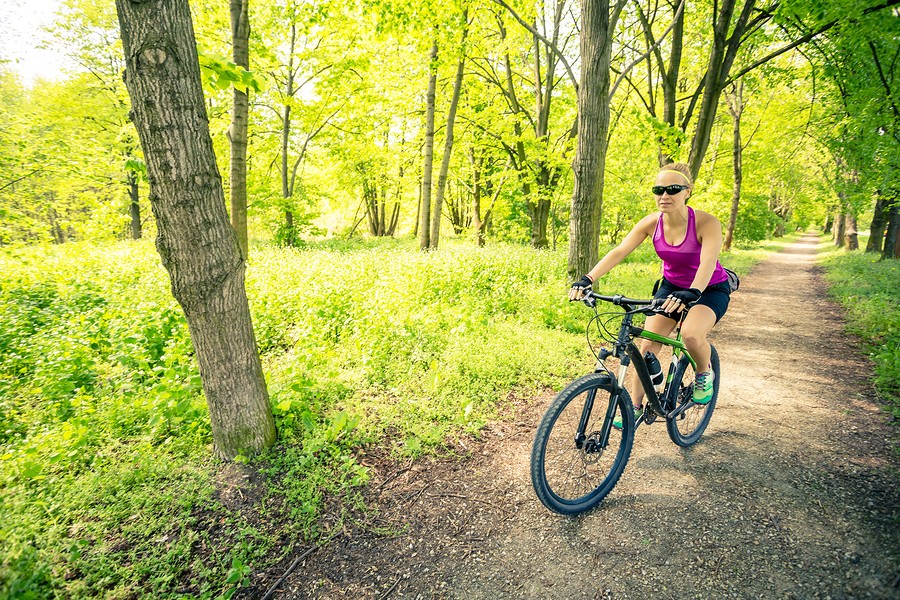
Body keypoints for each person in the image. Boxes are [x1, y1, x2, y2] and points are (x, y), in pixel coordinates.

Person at [568, 162, 731, 421]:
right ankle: (634, 407)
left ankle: (703, 372)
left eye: (673, 189)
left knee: (690, 335)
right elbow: (620, 251)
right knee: (646, 349)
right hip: (671, 287)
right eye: (659, 189)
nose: (664, 195)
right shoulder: (651, 223)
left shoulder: (706, 222)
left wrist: (693, 291)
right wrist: (588, 278)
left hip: (708, 288)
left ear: (687, 191)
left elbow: (708, 261)